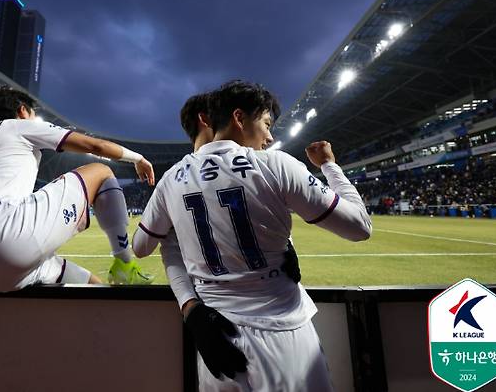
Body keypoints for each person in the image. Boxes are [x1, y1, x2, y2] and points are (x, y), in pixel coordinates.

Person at [133, 80, 372, 391]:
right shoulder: (275, 164)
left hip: (216, 344)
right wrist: (329, 165)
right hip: (283, 337)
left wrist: (188, 300)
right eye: (266, 123)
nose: (270, 136)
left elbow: (141, 247)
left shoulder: (171, 180)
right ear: (238, 117)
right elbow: (360, 227)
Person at [0, 86, 155, 293]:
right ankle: (125, 263)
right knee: (101, 171)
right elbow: (95, 146)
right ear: (23, 111)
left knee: (92, 284)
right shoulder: (19, 126)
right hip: (13, 236)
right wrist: (138, 158)